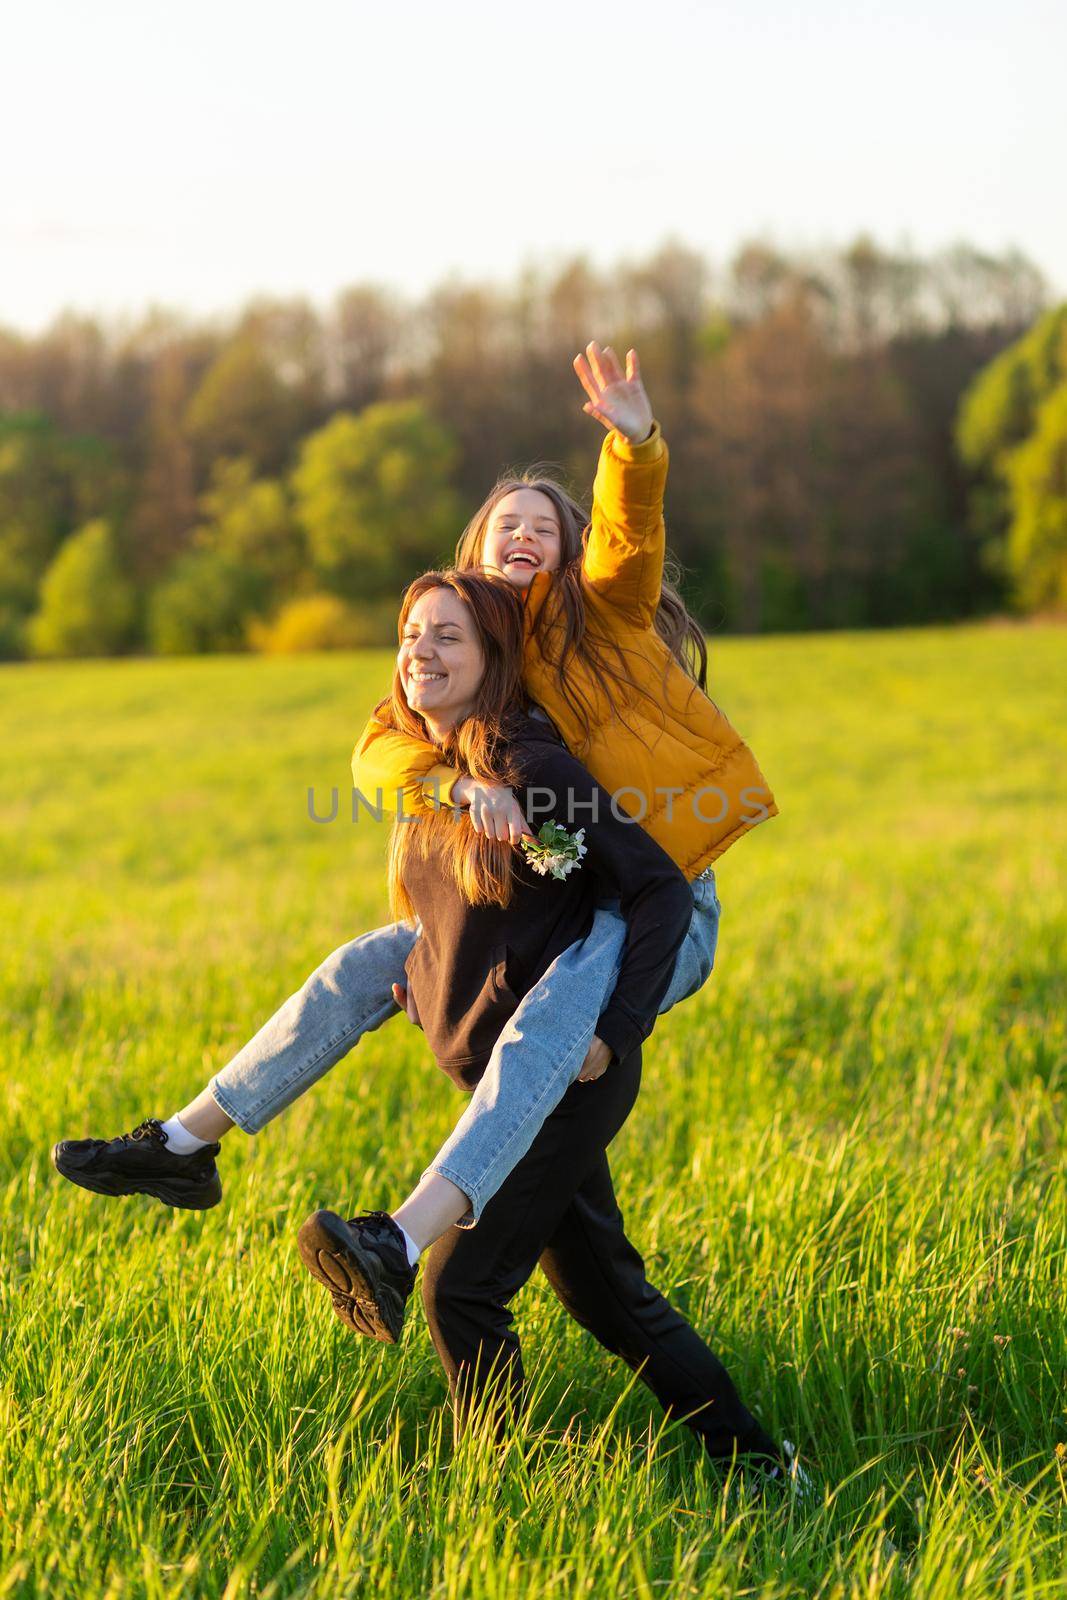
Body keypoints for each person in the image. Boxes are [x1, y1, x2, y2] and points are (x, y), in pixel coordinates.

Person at [51, 343, 777, 1269]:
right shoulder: (466, 666)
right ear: (473, 556)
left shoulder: (601, 622)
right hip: (550, 906)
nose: (523, 535)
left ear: (572, 551)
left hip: (651, 904)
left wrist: (634, 448)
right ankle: (184, 1145)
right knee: (364, 965)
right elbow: (374, 751)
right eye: (505, 525)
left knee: (550, 1041)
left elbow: (629, 545)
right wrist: (456, 784)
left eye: (544, 528)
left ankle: (401, 1242)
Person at [295, 569, 805, 1495]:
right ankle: (764, 1470)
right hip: (500, 1080)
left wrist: (614, 1027)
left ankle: (502, 1498)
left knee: (460, 1288)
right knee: (608, 1295)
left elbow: (654, 886)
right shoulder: (432, 770)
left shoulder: (529, 760)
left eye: (447, 636)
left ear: (495, 654)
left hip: (565, 1071)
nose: (421, 652)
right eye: (410, 634)